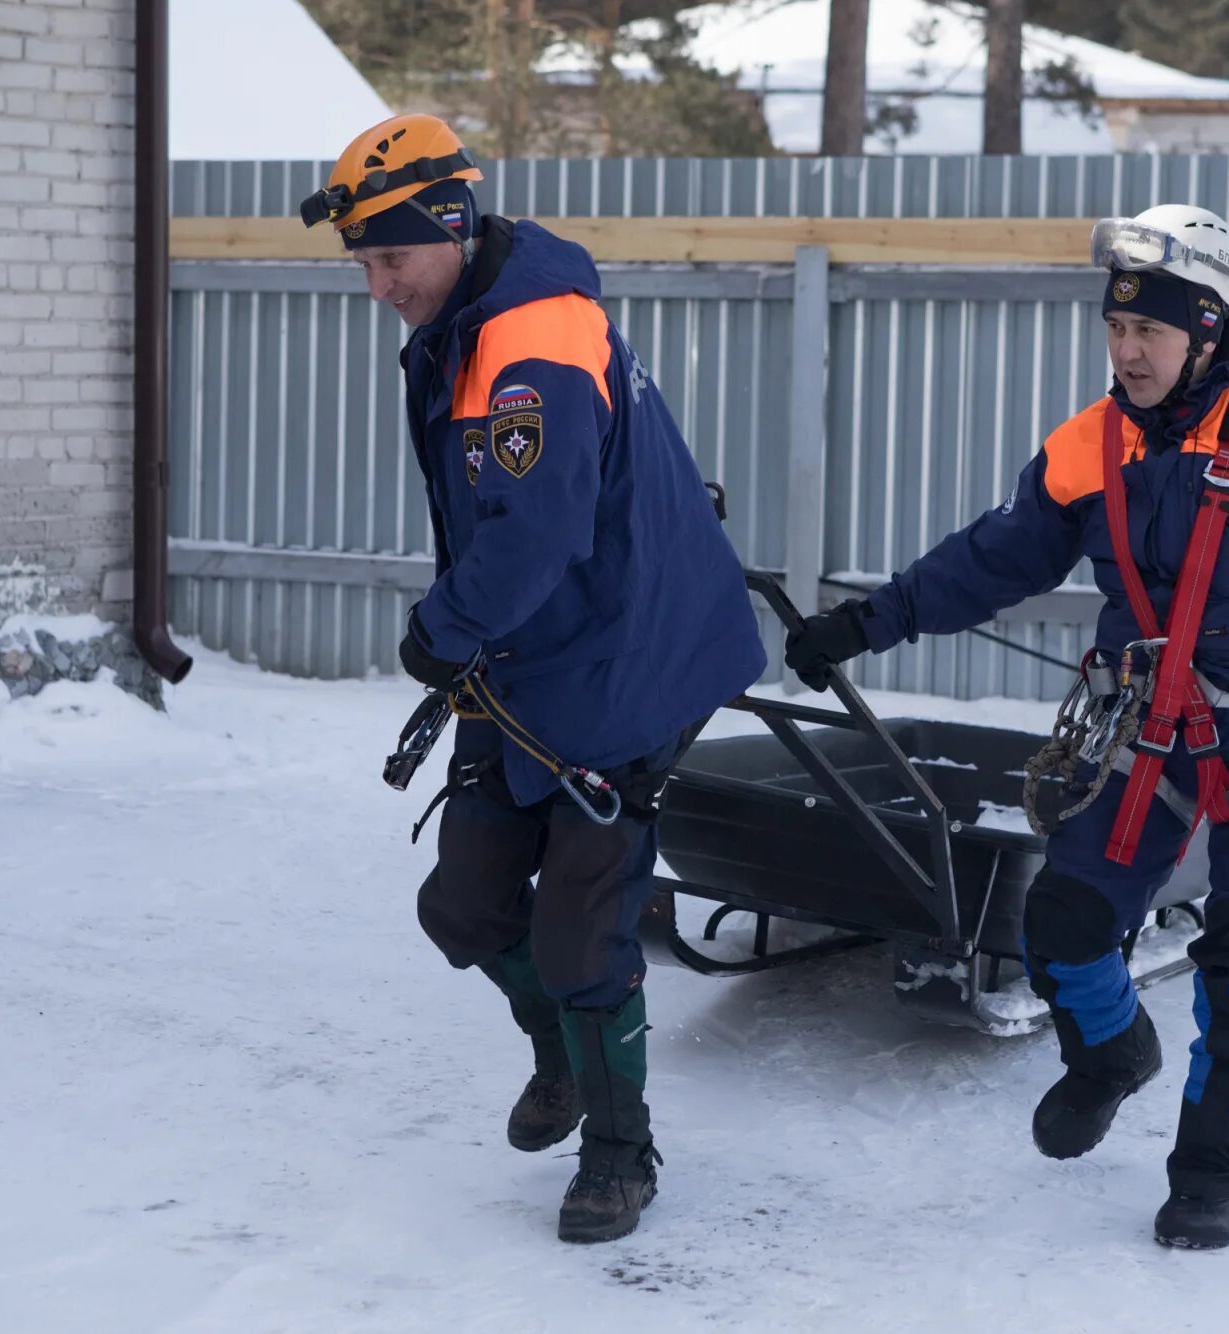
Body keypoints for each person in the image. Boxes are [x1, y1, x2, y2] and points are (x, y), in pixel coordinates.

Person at [784, 204, 1229, 1250]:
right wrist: (862, 622)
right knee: (1058, 925)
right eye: (1114, 329)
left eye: (1147, 331)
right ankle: (1110, 1053)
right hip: (1141, 729)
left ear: (1206, 327)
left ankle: (1208, 1172)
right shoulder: (1088, 443)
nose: (1125, 350)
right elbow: (991, 558)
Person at [301, 115, 765, 1244]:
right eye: (363, 262)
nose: (377, 286)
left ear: (450, 227)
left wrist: (441, 627)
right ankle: (562, 1052)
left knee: (580, 932)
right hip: (525, 659)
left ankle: (619, 1147)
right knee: (461, 903)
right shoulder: (471, 320)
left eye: (390, 259)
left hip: (622, 657)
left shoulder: (534, 340)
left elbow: (536, 529)